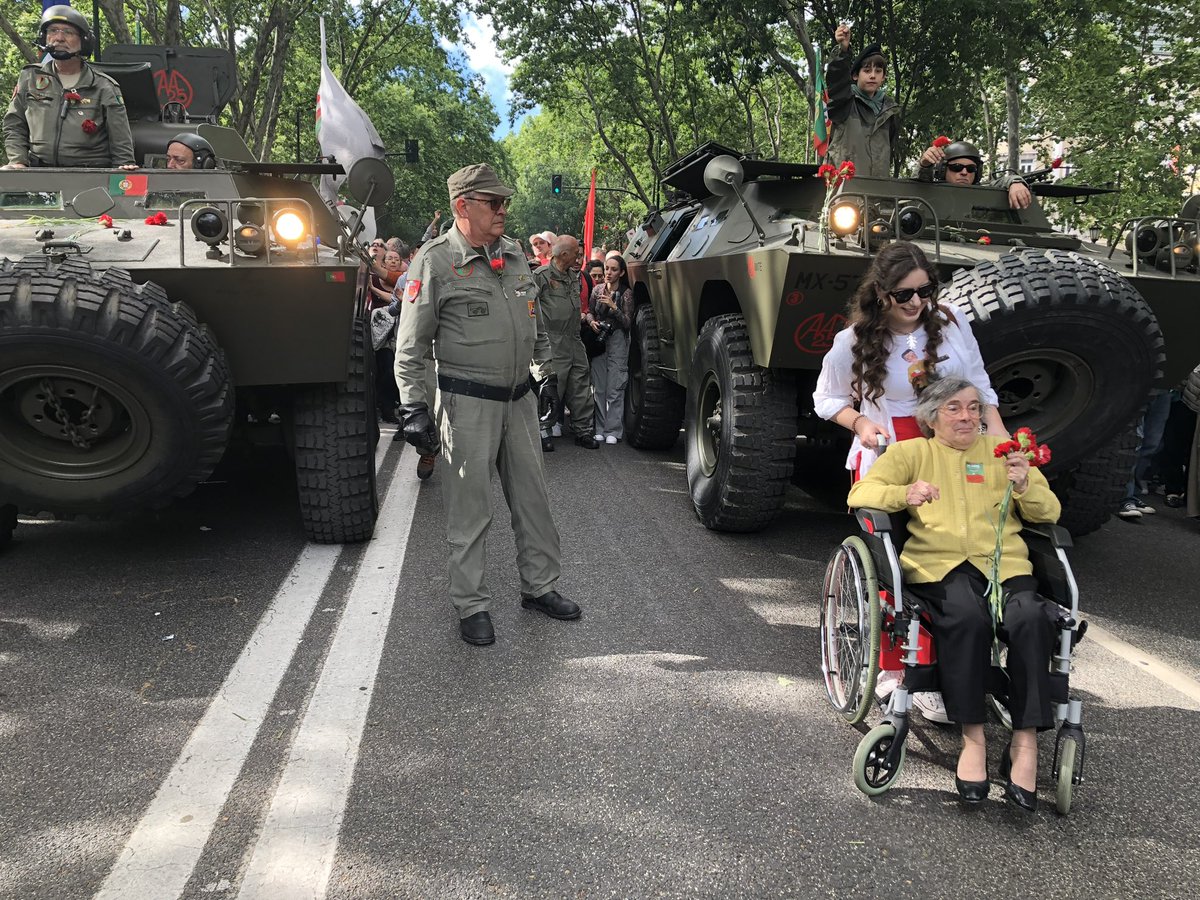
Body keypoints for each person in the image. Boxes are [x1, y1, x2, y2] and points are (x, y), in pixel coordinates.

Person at [848, 376, 1061, 812]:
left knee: (1031, 619)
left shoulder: (1005, 455)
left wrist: (1025, 485)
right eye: (953, 408)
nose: (966, 416)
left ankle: (1024, 745)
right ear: (931, 417)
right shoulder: (913, 454)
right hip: (939, 566)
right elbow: (860, 495)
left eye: (973, 407)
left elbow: (1050, 512)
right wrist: (904, 492)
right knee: (967, 619)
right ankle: (974, 739)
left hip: (1005, 566)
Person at [814, 242, 1006, 723]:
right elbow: (827, 398)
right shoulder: (853, 341)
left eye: (926, 291)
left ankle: (964, 658)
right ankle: (898, 666)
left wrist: (1003, 442)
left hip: (957, 450)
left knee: (960, 551)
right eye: (904, 295)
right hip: (892, 454)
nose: (917, 303)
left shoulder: (953, 322)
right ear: (880, 293)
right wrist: (859, 424)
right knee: (898, 567)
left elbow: (980, 386)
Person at [393, 162, 581, 646]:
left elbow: (534, 327)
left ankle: (539, 588)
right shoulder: (434, 262)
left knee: (533, 502)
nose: (502, 210)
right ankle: (471, 604)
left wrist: (545, 378)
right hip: (466, 404)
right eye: (493, 203)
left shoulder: (515, 256)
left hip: (518, 401)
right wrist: (414, 406)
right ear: (463, 206)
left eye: (504, 203)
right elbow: (411, 346)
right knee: (470, 510)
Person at [2, 6, 137, 170]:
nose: (59, 38)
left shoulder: (103, 86)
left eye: (68, 32)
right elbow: (14, 124)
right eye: (53, 31)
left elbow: (121, 142)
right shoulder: (30, 77)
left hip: (90, 177)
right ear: (44, 38)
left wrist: (123, 171)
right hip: (39, 176)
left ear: (84, 40)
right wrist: (18, 161)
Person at [533, 236, 599, 451]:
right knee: (552, 387)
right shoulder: (541, 276)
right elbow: (529, 306)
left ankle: (583, 431)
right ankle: (543, 430)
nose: (578, 258)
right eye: (575, 254)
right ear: (563, 255)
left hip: (574, 338)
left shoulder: (574, 276)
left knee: (580, 386)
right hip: (553, 340)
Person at [824, 24, 899, 178]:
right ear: (855, 76)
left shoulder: (890, 112)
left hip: (878, 193)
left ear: (883, 77)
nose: (872, 75)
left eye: (878, 71)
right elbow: (836, 80)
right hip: (844, 192)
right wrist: (843, 50)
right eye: (866, 70)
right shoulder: (844, 101)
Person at [587, 253, 634, 444]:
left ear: (621, 273)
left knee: (615, 386)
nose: (608, 273)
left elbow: (628, 323)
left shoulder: (626, 293)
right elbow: (589, 311)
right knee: (599, 386)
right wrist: (591, 323)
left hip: (617, 340)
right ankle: (599, 427)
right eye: (607, 268)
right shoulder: (597, 289)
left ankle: (613, 430)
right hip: (599, 339)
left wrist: (614, 307)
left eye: (614, 269)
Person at [915, 139, 1033, 210]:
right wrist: (925, 164)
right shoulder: (931, 190)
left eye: (971, 169)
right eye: (957, 167)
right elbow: (920, 183)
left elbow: (996, 184)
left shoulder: (982, 193)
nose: (964, 172)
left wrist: (1015, 182)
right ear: (942, 170)